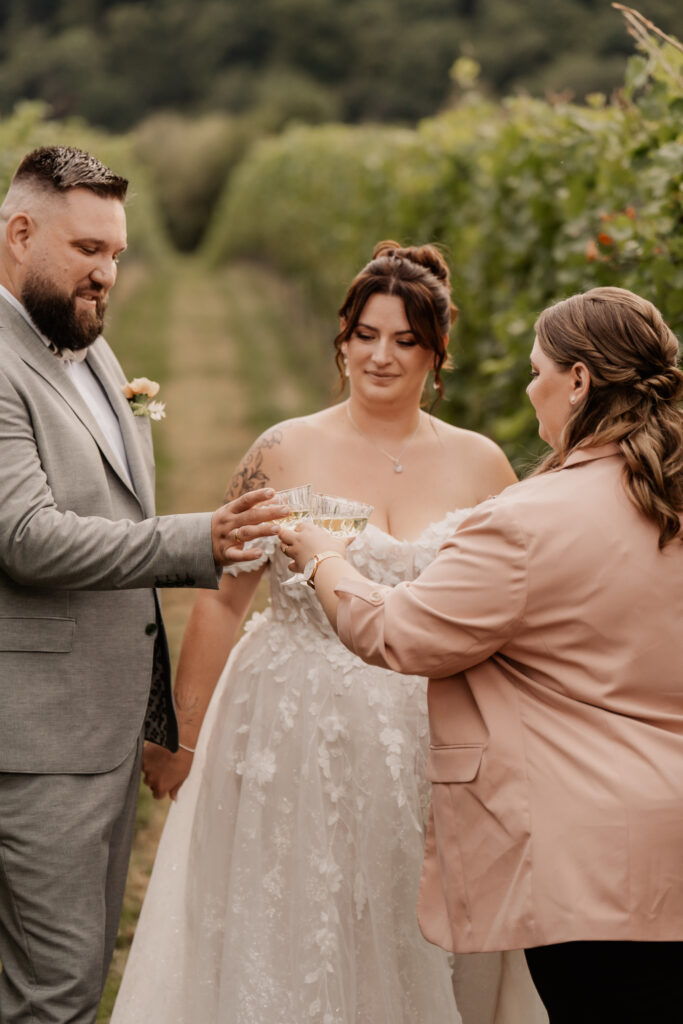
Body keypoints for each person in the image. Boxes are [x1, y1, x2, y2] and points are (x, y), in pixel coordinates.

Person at [112, 241, 545, 1023]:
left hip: (422, 726)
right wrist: (181, 733)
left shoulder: (483, 466)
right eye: (365, 335)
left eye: (405, 340)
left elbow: (506, 611)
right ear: (340, 341)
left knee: (400, 915)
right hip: (289, 717)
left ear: (435, 355)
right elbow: (221, 600)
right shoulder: (281, 450)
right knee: (294, 914)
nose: (381, 356)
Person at [281, 285, 683, 1024]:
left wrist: (322, 559)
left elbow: (401, 632)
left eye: (536, 370)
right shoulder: (670, 497)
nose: (530, 388)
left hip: (588, 859)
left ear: (578, 380)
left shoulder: (527, 520)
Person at [0, 146, 288, 1024]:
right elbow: (25, 536)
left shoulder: (83, 342)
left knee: (62, 980)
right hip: (31, 739)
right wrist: (196, 539)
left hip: (92, 726)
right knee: (53, 996)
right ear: (18, 232)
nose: (107, 273)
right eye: (88, 249)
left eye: (117, 253)